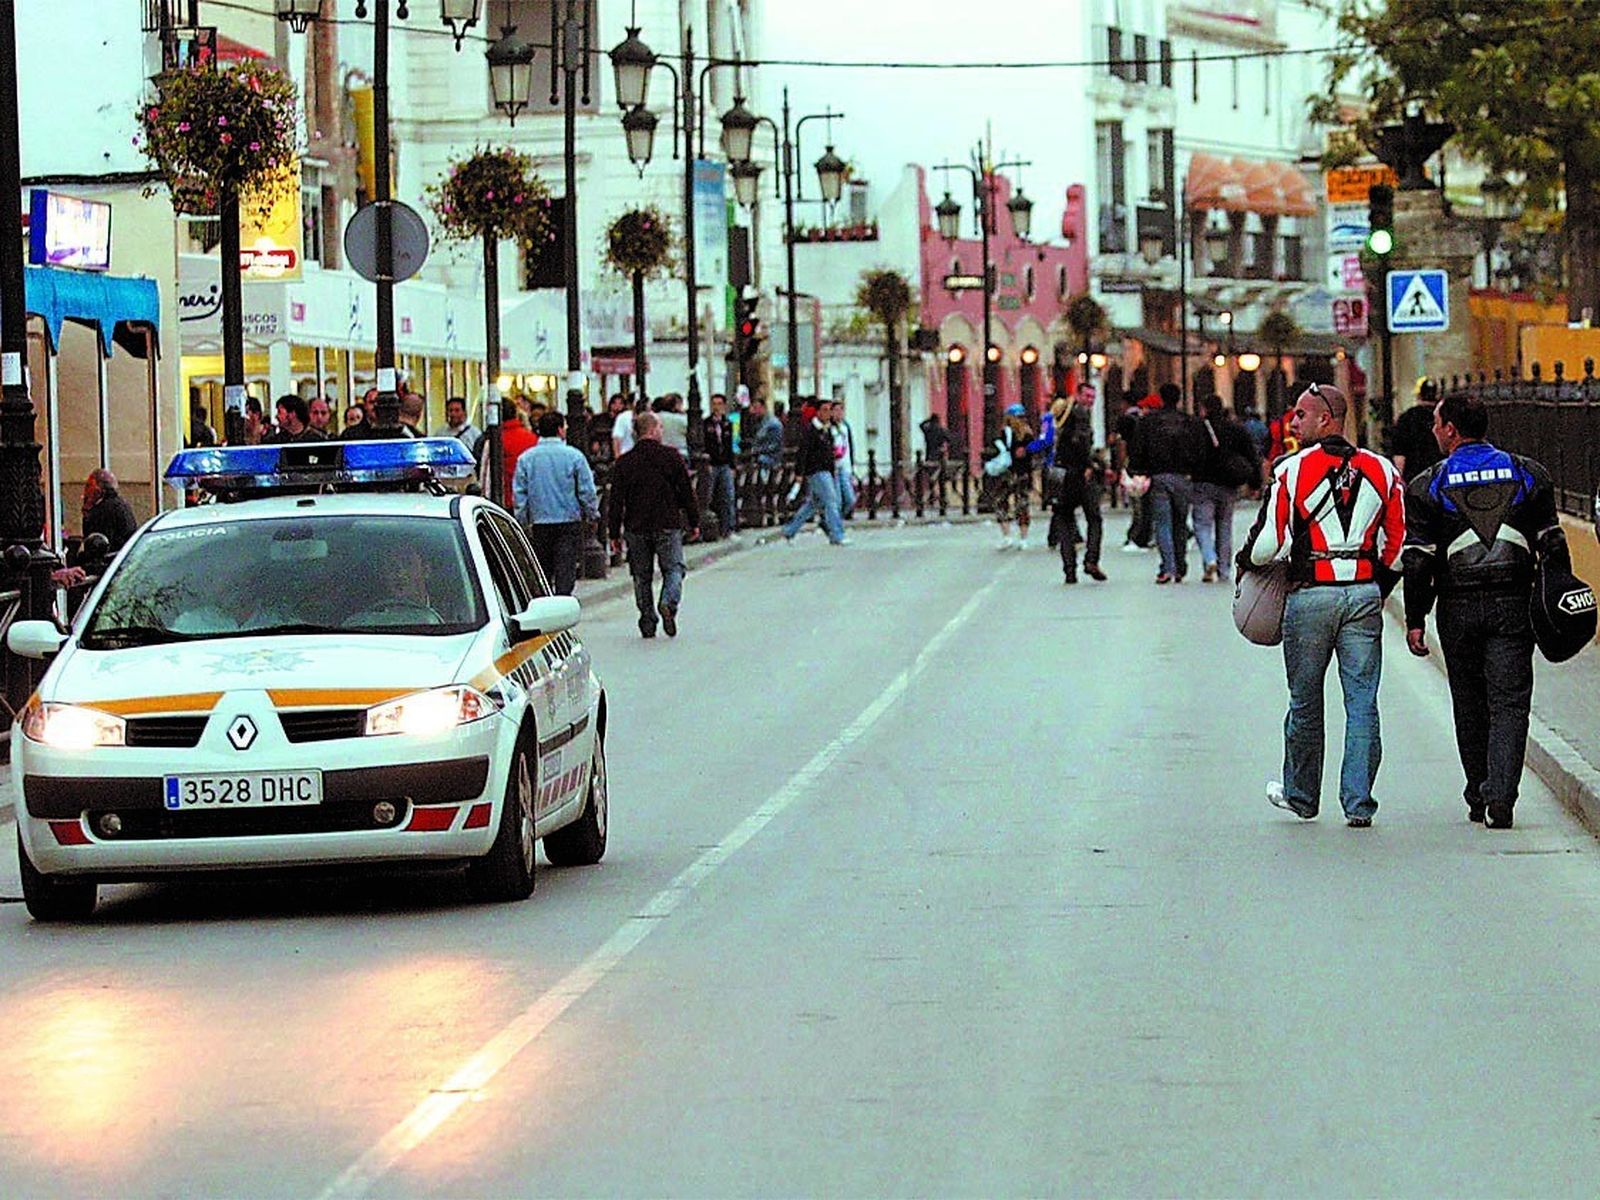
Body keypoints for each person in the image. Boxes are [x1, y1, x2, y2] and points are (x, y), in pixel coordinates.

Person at [1239, 383, 1406, 828]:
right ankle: (1358, 803)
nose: (1293, 423)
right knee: (1363, 701)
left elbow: (1267, 546)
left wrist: (1246, 563)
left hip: (1310, 595)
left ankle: (1301, 796)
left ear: (1325, 420)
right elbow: (1396, 548)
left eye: (1301, 416)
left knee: (1305, 700)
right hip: (1364, 594)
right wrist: (1377, 587)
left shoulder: (1291, 470)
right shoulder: (1384, 471)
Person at [1403, 392, 1571, 829]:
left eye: (1436, 424)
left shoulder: (1428, 485)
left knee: (1470, 702)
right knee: (1511, 702)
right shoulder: (1529, 473)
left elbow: (1418, 559)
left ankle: (1479, 792)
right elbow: (1552, 543)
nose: (1433, 431)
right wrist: (1560, 601)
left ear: (1451, 431)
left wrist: (1416, 618)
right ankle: (1502, 798)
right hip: (1515, 605)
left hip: (1457, 609)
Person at [609, 411, 700, 639]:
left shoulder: (624, 462)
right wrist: (694, 520)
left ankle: (647, 619)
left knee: (641, 576)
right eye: (659, 427)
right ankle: (668, 601)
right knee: (674, 568)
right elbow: (686, 492)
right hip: (667, 522)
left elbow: (616, 500)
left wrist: (614, 533)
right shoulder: (671, 456)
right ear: (651, 430)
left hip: (636, 526)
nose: (662, 431)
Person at [513, 411, 598, 596]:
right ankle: (563, 601)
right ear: (560, 430)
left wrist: (521, 521)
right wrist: (592, 513)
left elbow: (520, 494)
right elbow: (586, 490)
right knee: (565, 567)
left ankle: (547, 601)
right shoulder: (574, 456)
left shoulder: (526, 458)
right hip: (568, 521)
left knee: (543, 569)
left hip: (540, 522)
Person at [1129, 383, 1204, 583]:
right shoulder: (1189, 422)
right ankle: (1180, 565)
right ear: (1179, 399)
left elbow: (1138, 449)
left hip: (1159, 476)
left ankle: (1167, 567)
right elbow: (1200, 450)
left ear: (1161, 398)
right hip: (1184, 477)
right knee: (1180, 522)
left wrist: (1137, 471)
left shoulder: (1149, 422)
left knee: (1162, 523)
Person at [1191, 394, 1260, 584]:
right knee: (1225, 526)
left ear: (1204, 409)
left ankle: (1209, 557)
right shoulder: (1236, 429)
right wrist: (1255, 483)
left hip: (1203, 482)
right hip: (1229, 484)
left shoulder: (1198, 429)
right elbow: (1251, 455)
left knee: (1202, 525)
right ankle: (1224, 569)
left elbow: (1189, 454)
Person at [1052, 384, 1107, 582]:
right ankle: (1091, 559)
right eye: (1087, 396)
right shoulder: (1080, 414)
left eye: (1093, 397)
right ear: (1078, 395)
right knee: (1094, 518)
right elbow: (1082, 442)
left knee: (1064, 520)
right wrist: (1089, 465)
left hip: (1062, 472)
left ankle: (1069, 569)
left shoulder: (1062, 413)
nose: (1090, 400)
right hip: (1080, 474)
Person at [781, 402, 848, 545]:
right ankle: (837, 534)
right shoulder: (811, 430)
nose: (828, 413)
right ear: (817, 412)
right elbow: (802, 453)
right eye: (824, 410)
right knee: (831, 501)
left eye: (829, 410)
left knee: (812, 504)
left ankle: (790, 530)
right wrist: (800, 473)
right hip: (816, 471)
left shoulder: (828, 429)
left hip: (827, 471)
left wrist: (832, 470)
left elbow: (830, 452)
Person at [991, 402, 1035, 550]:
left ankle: (1007, 536)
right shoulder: (1028, 433)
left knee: (1001, 502)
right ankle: (1023, 538)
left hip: (1008, 473)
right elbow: (1032, 454)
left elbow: (996, 449)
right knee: (1022, 504)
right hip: (1023, 474)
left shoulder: (1005, 433)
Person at [484, 397, 537, 508]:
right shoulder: (532, 439)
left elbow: (485, 475)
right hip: (531, 501)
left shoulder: (494, 441)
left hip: (503, 502)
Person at [1391, 377, 1444, 483]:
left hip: (1414, 479)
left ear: (1419, 395)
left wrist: (1399, 480)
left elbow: (1400, 454)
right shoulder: (1443, 416)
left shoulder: (1407, 418)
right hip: (1440, 477)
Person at [81, 468, 138, 553]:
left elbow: (93, 540)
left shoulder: (103, 510)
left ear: (98, 489)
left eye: (88, 486)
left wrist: (88, 512)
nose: (85, 491)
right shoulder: (121, 504)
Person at [705, 392, 738, 537]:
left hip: (724, 464)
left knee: (728, 496)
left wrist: (732, 465)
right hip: (711, 464)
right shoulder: (705, 424)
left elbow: (729, 445)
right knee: (709, 496)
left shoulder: (727, 424)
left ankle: (728, 528)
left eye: (719, 404)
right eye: (714, 404)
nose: (716, 407)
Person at [831, 398, 858, 520]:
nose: (838, 413)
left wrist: (852, 465)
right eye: (835, 410)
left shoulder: (845, 427)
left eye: (841, 410)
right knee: (837, 498)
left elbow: (850, 446)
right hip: (833, 467)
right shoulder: (829, 428)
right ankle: (836, 520)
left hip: (845, 466)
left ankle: (842, 515)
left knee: (850, 498)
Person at [656, 394, 689, 459]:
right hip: (680, 451)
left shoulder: (656, 417)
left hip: (662, 452)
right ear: (676, 405)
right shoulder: (682, 419)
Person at [612, 395, 640, 459]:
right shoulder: (623, 417)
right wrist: (618, 458)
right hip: (626, 455)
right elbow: (616, 439)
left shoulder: (649, 417)